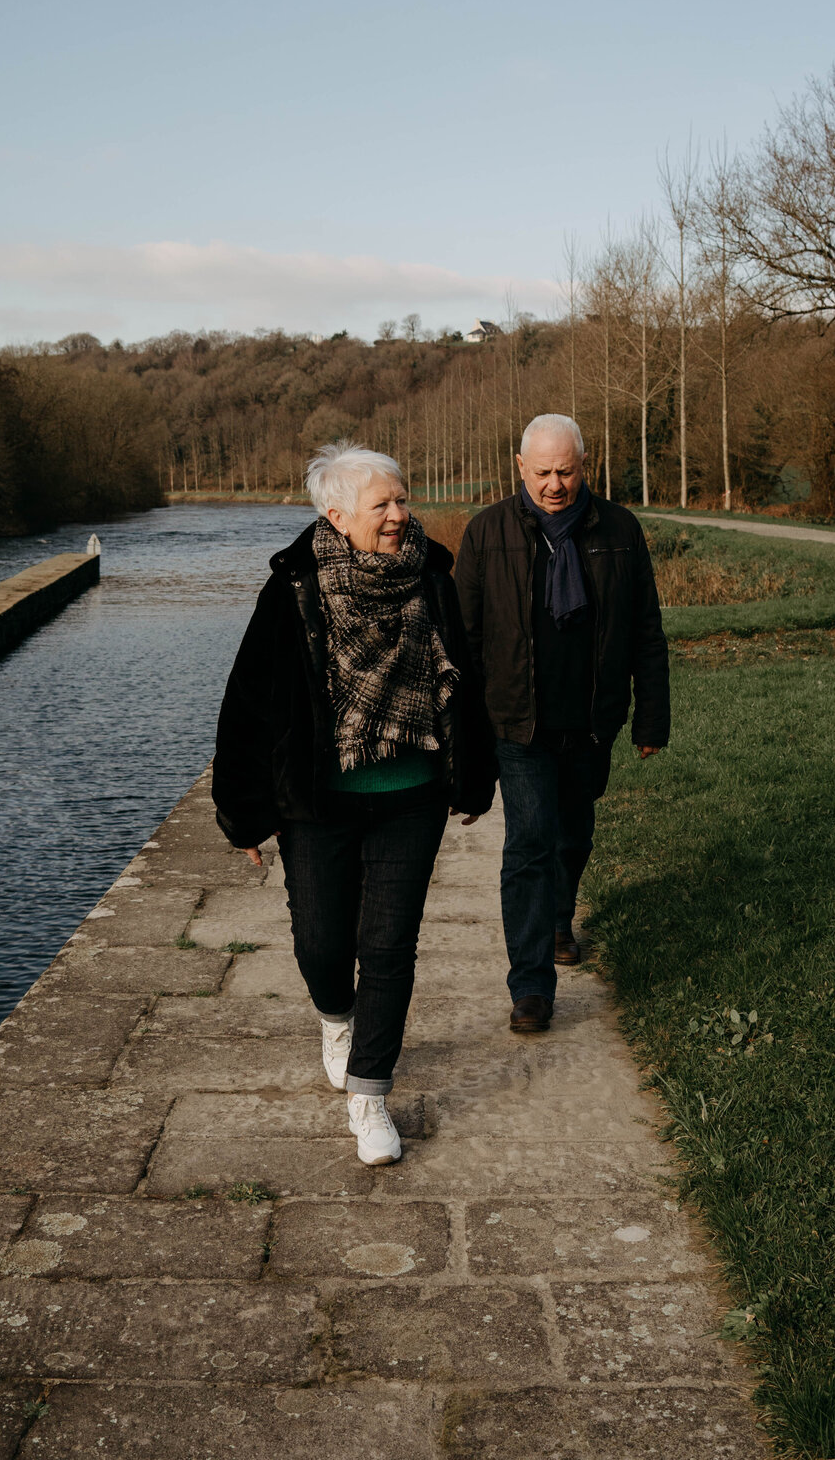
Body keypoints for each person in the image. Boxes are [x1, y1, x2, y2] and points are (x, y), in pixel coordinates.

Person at [213, 442, 494, 1164]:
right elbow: (252, 701)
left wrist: (474, 772)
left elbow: (463, 674)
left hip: (412, 794)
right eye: (383, 505)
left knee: (390, 946)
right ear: (335, 516)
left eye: (403, 501)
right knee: (322, 945)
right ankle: (334, 1017)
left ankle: (370, 1098)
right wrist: (243, 811)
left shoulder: (433, 573)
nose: (401, 515)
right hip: (320, 798)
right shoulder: (295, 587)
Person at [454, 413, 669, 1033]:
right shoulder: (487, 532)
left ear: (584, 466)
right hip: (518, 723)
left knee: (572, 834)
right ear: (520, 468)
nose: (554, 485)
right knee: (528, 842)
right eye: (543, 472)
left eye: (566, 471)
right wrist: (465, 734)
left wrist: (650, 717)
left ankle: (557, 918)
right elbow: (464, 639)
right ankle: (530, 986)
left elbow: (645, 630)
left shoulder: (620, 531)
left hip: (592, 719)